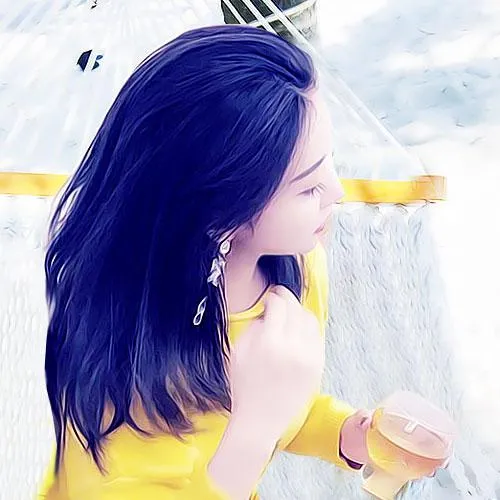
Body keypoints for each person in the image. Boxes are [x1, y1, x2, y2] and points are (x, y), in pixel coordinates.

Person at [41, 25, 374, 500]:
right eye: (308, 187)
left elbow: (279, 403)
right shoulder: (125, 354)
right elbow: (255, 410)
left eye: (330, 162)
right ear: (220, 214)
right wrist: (252, 431)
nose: (337, 192)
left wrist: (349, 434)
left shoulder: (295, 267)